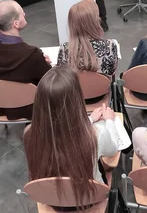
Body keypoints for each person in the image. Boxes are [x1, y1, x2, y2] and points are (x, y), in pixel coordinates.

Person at [24, 67, 119, 210]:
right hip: (89, 198)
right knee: (110, 166)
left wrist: (89, 120)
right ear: (77, 98)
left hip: (52, 199)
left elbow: (61, 129)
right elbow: (112, 150)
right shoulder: (95, 135)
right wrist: (110, 121)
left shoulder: (30, 133)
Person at [0, 0, 52, 119]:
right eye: (22, 13)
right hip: (31, 108)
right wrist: (43, 63)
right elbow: (49, 80)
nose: (25, 14)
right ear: (15, 24)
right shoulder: (31, 55)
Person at [57, 0, 118, 103]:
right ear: (95, 22)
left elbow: (61, 76)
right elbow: (112, 72)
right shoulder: (109, 45)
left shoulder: (64, 48)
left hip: (74, 98)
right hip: (100, 96)